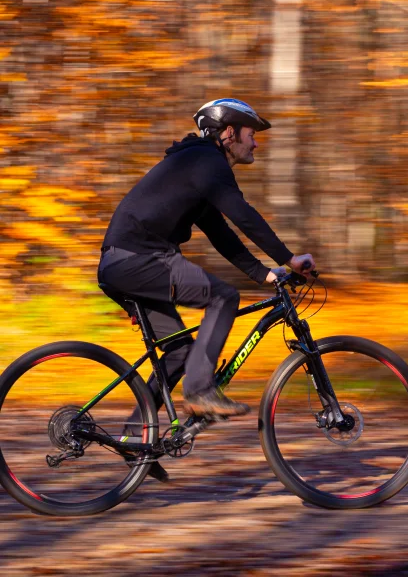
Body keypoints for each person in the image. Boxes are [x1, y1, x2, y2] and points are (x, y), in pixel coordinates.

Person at [97, 98, 315, 481]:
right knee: (223, 296)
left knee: (180, 352)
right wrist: (290, 257)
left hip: (124, 263)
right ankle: (200, 393)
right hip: (139, 259)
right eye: (251, 135)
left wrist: (265, 273)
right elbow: (244, 215)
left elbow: (222, 233)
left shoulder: (198, 167)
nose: (256, 144)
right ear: (228, 133)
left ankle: (135, 438)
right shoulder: (206, 162)